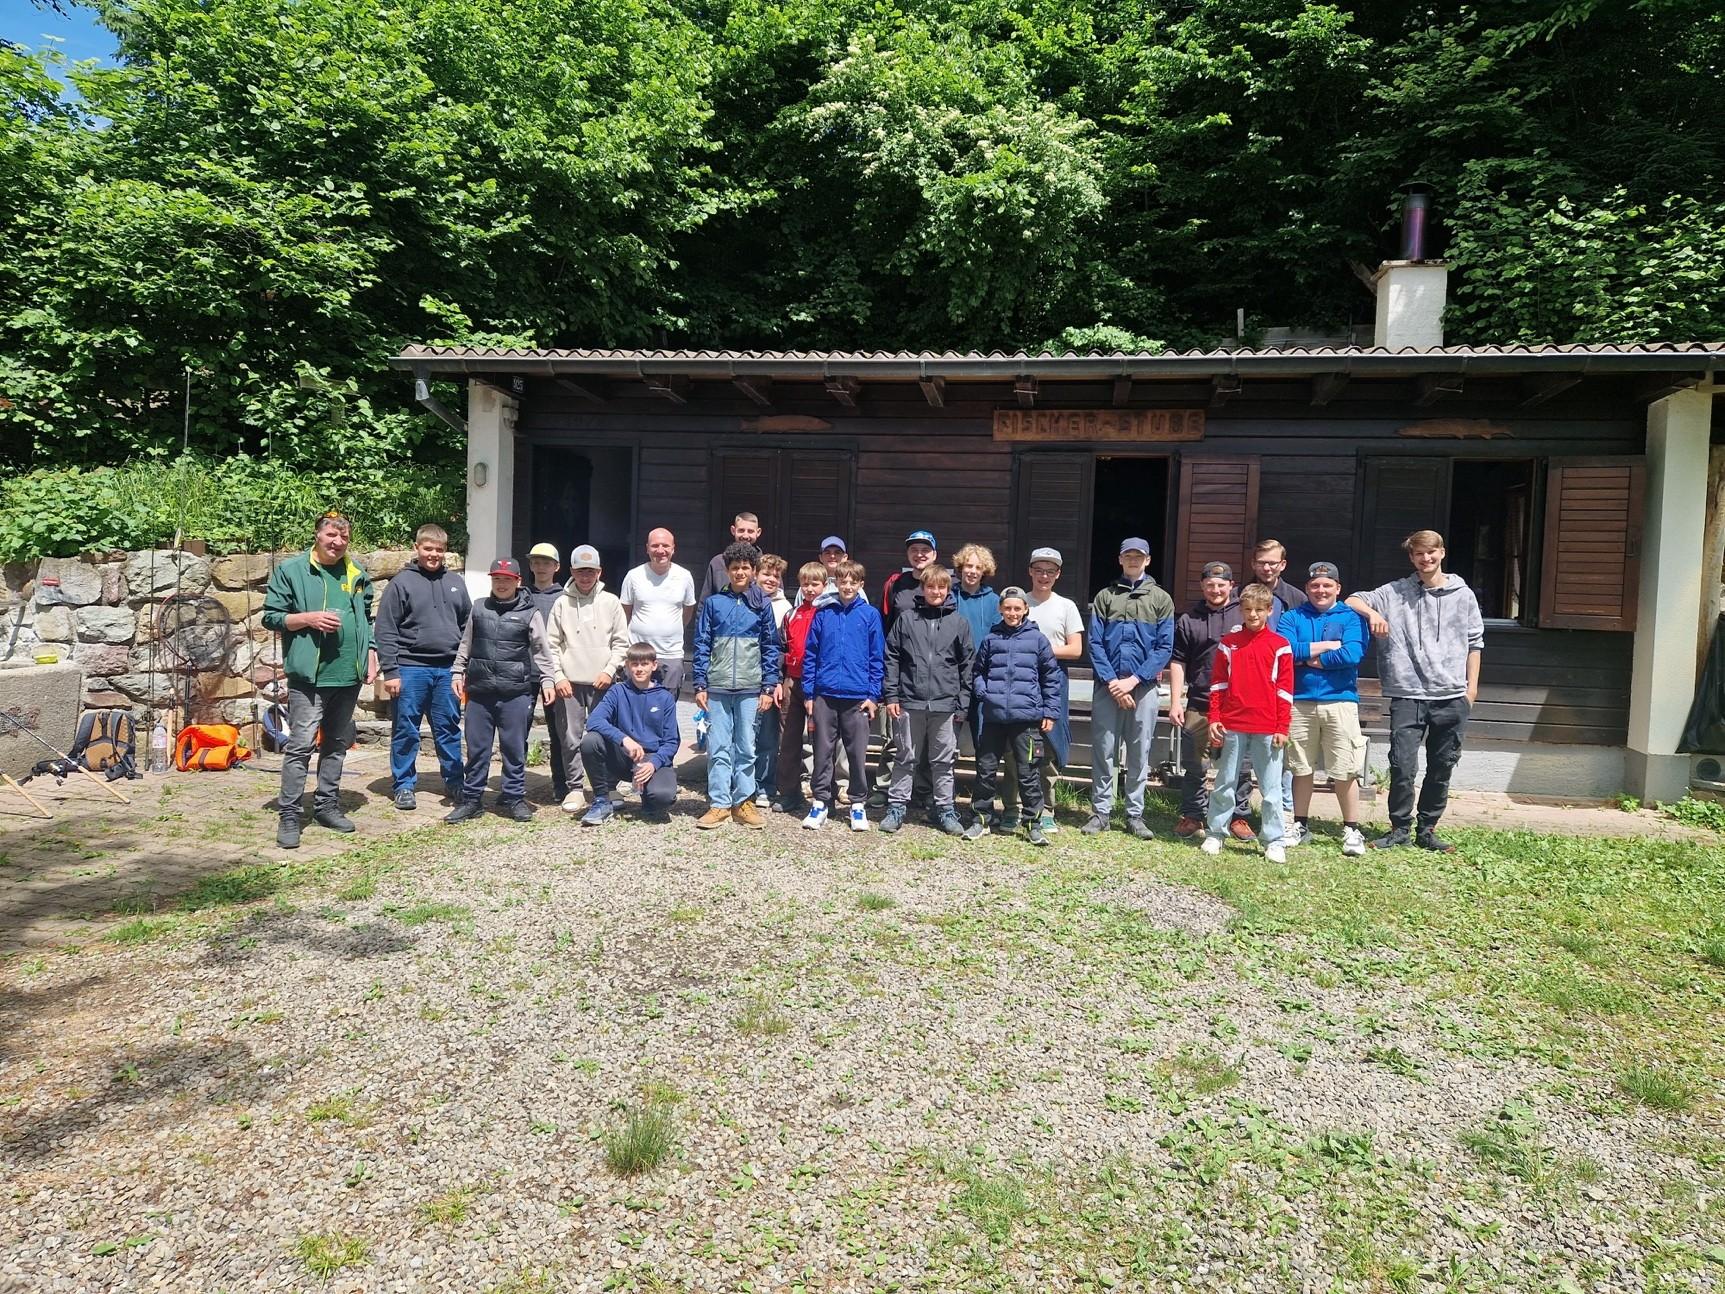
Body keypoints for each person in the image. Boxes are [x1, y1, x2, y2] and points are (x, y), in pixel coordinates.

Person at [1345, 529, 1484, 853]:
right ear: (1412, 557)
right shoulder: (1395, 592)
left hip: (1451, 695)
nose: (1426, 559)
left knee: (1441, 766)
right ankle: (1399, 829)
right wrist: (1374, 613)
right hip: (1408, 694)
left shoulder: (1463, 595)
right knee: (1402, 766)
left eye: (1431, 552)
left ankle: (1428, 829)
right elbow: (1352, 599)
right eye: (1419, 554)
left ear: (1442, 553)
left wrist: (1471, 692)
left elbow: (1475, 644)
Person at [263, 511, 378, 849]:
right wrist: (307, 619)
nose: (337, 542)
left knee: (336, 743)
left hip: (348, 675)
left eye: (343, 537)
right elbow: (271, 616)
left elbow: (366, 618)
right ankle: (290, 814)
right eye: (331, 535)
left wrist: (370, 652)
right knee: (300, 745)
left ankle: (327, 806)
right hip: (310, 676)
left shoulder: (356, 574)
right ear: (317, 535)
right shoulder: (292, 571)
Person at [447, 558, 557, 823]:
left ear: (518, 581)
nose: (501, 584)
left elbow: (542, 651)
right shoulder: (478, 608)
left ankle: (514, 797)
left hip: (515, 693)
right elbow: (466, 643)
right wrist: (457, 671)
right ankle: (472, 800)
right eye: (497, 579)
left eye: (507, 579)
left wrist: (548, 680)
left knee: (514, 749)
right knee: (477, 749)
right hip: (480, 692)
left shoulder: (530, 613)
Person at [374, 522, 470, 812]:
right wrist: (390, 672)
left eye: (439, 550)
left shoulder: (456, 582)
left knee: (448, 728)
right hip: (410, 668)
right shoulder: (401, 583)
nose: (434, 554)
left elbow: (467, 626)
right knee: (406, 729)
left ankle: (455, 781)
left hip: (447, 671)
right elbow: (386, 629)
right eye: (428, 549)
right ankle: (403, 785)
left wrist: (463, 667)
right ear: (417, 548)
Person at [1083, 538, 1175, 839]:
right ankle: (1101, 812)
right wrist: (1112, 682)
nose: (1133, 560)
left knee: (1139, 752)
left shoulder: (1161, 599)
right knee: (1104, 750)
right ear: (1120, 559)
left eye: (1139, 556)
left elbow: (1164, 648)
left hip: (1143, 687)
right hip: (1108, 687)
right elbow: (1095, 643)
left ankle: (1135, 815)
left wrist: (1133, 681)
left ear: (1147, 560)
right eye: (1128, 556)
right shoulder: (1105, 597)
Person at [1277, 561, 1369, 857]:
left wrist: (1312, 658)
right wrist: (1330, 645)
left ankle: (1352, 830)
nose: (1320, 590)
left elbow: (1353, 652)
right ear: (1307, 588)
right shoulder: (1292, 616)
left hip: (1339, 700)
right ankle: (1300, 825)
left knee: (1344, 769)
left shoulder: (1351, 617)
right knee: (1300, 767)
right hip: (1300, 701)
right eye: (1315, 585)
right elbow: (1286, 650)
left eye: (1327, 585)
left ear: (1338, 588)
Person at [1199, 583, 1293, 863]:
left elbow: (1285, 690)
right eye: (1248, 609)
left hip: (1268, 726)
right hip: (1232, 723)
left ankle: (1274, 840)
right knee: (1224, 781)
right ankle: (1216, 833)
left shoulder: (1280, 646)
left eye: (1259, 610)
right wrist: (1215, 717)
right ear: (1240, 609)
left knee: (1271, 787)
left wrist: (1282, 726)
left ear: (1269, 611)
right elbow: (1217, 684)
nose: (1253, 615)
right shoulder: (1229, 643)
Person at [691, 542, 781, 829]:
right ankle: (718, 804)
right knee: (718, 747)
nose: (740, 572)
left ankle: (743, 801)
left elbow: (770, 647)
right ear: (727, 571)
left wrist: (768, 686)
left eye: (745, 567)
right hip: (717, 687)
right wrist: (700, 683)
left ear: (754, 571)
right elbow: (702, 643)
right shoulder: (714, 604)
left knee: (746, 746)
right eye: (734, 568)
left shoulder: (762, 605)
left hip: (750, 687)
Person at [882, 564, 973, 837]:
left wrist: (963, 702)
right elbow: (892, 658)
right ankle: (897, 807)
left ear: (948, 590)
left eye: (941, 587)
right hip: (909, 700)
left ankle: (945, 809)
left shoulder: (958, 622)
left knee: (943, 761)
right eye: (931, 586)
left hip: (946, 704)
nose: (936, 591)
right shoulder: (907, 619)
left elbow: (967, 664)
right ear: (923, 589)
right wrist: (892, 694)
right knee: (906, 756)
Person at [970, 587, 1063, 847]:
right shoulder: (991, 638)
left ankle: (1032, 823)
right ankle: (981, 818)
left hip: (1027, 718)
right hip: (994, 716)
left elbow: (1050, 678)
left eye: (1017, 608)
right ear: (1000, 609)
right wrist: (982, 691)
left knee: (1029, 772)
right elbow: (978, 670)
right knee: (986, 770)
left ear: (1025, 610)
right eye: (1007, 608)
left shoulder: (1038, 640)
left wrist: (1050, 711)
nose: (1012, 613)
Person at [1166, 560, 1251, 839]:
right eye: (1210, 584)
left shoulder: (1246, 614)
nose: (1215, 589)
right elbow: (1178, 662)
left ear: (1231, 586)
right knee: (1194, 764)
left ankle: (1238, 817)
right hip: (1200, 701)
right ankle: (1192, 815)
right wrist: (1176, 701)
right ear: (1202, 586)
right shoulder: (1189, 619)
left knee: (1238, 765)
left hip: (1238, 704)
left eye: (1221, 584)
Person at [545, 544, 630, 814]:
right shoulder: (561, 603)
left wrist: (610, 670)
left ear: (599, 572)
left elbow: (621, 643)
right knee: (570, 736)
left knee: (605, 734)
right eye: (580, 571)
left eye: (590, 571)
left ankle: (607, 786)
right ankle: (575, 788)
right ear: (571, 571)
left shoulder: (611, 602)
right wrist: (558, 676)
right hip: (569, 683)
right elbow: (551, 645)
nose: (585, 576)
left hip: (602, 681)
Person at [1005, 546, 1084, 834]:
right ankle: (1013, 808)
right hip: (1018, 682)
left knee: (1047, 745)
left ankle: (1045, 808)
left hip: (1052, 679)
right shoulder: (1018, 601)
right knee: (1015, 746)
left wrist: (1039, 649)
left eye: (1050, 571)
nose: (1044, 576)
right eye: (1039, 569)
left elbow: (1076, 649)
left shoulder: (1066, 606)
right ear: (1030, 571)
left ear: (1058, 574)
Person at [802, 559, 883, 832]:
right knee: (822, 751)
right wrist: (809, 693)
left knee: (856, 753)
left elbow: (876, 658)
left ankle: (858, 803)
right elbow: (811, 655)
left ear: (861, 585)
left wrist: (873, 695)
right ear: (836, 583)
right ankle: (821, 802)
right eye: (842, 581)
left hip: (858, 697)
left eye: (853, 582)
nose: (847, 586)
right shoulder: (824, 614)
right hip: (825, 694)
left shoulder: (870, 615)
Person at [871, 529, 941, 805]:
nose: (919, 554)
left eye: (925, 549)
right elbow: (884, 626)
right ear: (908, 554)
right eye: (914, 549)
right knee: (893, 734)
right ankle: (884, 787)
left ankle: (922, 790)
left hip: (933, 673)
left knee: (925, 736)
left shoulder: (943, 585)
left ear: (934, 554)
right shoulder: (895, 584)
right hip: (901, 669)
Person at [580, 643, 682, 825]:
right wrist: (624, 739)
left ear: (654, 665)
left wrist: (654, 764)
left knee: (662, 798)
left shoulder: (665, 698)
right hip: (622, 756)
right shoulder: (617, 692)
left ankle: (649, 796)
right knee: (590, 741)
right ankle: (602, 801)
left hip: (650, 758)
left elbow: (672, 742)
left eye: (644, 664)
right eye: (634, 664)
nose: (639, 669)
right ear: (627, 666)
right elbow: (594, 721)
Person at [775, 561, 829, 813]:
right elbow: (780, 649)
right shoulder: (791, 614)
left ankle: (823, 794)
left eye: (815, 584)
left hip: (820, 684)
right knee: (789, 739)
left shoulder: (829, 613)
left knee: (823, 741)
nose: (809, 589)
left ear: (825, 586)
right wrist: (778, 680)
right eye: (805, 584)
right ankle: (789, 792)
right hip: (792, 681)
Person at [619, 528, 697, 696]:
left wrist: (669, 629)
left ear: (673, 548)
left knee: (666, 706)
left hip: (671, 653)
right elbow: (624, 613)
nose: (660, 550)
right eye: (655, 546)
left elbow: (688, 611)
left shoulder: (684, 576)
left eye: (665, 546)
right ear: (647, 548)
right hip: (638, 652)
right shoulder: (633, 576)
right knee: (634, 703)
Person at [525, 541, 572, 803]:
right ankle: (514, 784)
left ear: (556, 567)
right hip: (524, 673)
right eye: (536, 562)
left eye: (546, 562)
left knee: (559, 733)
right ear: (530, 565)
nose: (540, 567)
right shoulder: (520, 595)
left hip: (554, 675)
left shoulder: (564, 598)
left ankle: (561, 784)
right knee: (518, 731)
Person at [751, 553, 793, 809]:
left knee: (767, 737)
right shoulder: (742, 600)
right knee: (744, 736)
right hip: (744, 678)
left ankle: (764, 785)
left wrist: (777, 679)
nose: (771, 579)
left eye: (776, 576)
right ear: (756, 575)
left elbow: (783, 649)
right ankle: (741, 785)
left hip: (770, 679)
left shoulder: (784, 608)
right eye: (766, 574)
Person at [700, 511, 764, 602]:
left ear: (758, 532)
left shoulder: (766, 564)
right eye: (741, 530)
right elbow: (705, 601)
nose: (745, 535)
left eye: (750, 531)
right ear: (733, 530)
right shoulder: (718, 562)